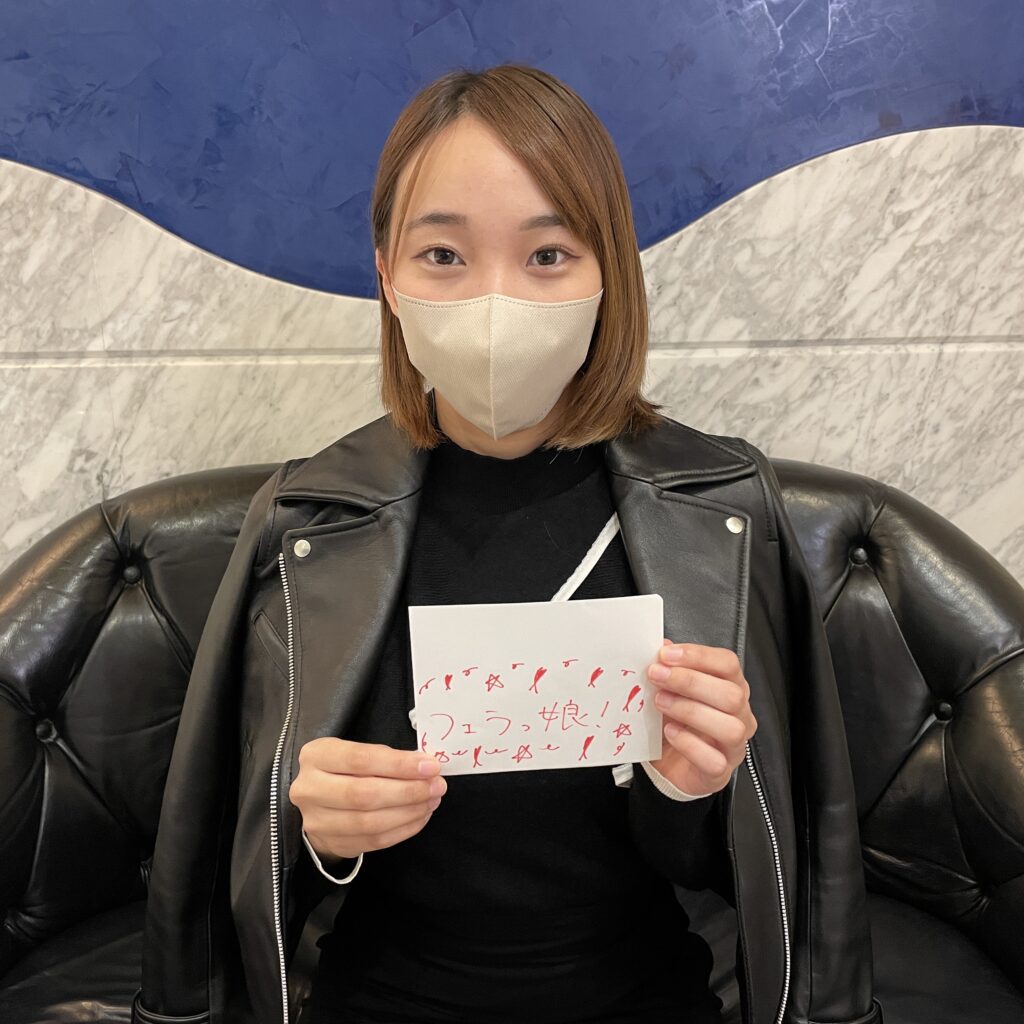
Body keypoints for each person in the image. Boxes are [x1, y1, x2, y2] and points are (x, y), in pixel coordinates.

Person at [132, 63, 880, 1024]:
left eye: (548, 254)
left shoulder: (723, 510)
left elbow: (777, 868)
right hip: (381, 997)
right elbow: (226, 865)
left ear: (609, 275)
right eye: (443, 254)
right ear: (386, 277)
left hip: (641, 993)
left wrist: (691, 788)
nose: (496, 301)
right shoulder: (308, 520)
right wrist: (319, 833)